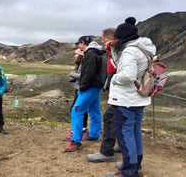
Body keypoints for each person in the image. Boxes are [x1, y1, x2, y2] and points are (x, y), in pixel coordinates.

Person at [105, 17, 156, 177]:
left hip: (126, 99)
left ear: (123, 38)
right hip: (138, 98)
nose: (115, 41)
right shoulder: (142, 48)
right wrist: (114, 49)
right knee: (134, 132)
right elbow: (122, 63)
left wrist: (114, 78)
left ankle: (128, 171)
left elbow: (126, 74)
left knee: (125, 134)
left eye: (117, 39)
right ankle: (135, 165)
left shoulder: (129, 51)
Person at [64, 36, 104, 152]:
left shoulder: (90, 54)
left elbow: (88, 74)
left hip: (89, 87)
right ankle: (94, 134)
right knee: (94, 109)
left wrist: (83, 87)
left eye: (79, 44)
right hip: (97, 86)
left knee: (76, 111)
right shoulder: (99, 53)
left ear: (83, 43)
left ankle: (76, 140)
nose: (78, 47)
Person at [86, 28, 118, 162]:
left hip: (120, 94)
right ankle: (121, 145)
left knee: (109, 119)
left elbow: (121, 75)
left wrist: (114, 93)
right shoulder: (115, 53)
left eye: (105, 41)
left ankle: (106, 152)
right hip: (121, 94)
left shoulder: (121, 53)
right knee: (122, 121)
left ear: (111, 39)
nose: (104, 45)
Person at [63, 48, 88, 141]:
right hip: (80, 88)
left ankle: (75, 132)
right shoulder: (81, 64)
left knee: (74, 109)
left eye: (76, 54)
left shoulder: (83, 64)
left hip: (81, 89)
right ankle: (83, 128)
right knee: (83, 110)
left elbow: (82, 76)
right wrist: (74, 79)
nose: (75, 55)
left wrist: (72, 74)